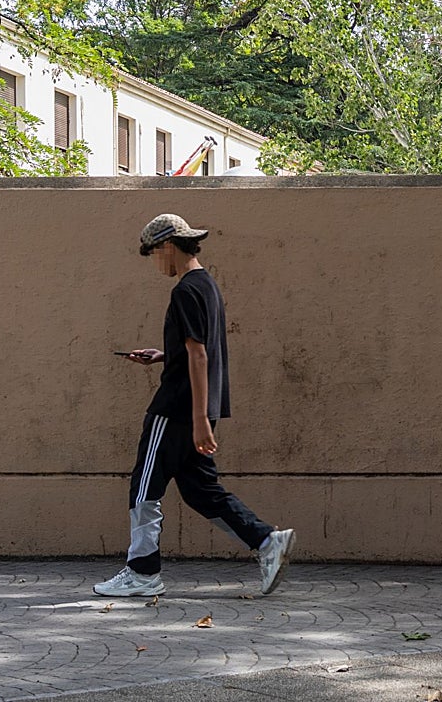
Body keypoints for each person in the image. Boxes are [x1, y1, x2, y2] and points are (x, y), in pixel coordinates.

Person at [94, 213, 295, 598]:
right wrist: (161, 356)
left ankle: (142, 572)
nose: (155, 262)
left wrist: (198, 418)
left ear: (168, 247)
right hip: (198, 408)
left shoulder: (185, 290)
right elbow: (194, 351)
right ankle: (268, 542)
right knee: (201, 490)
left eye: (154, 253)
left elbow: (199, 355)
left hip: (176, 409)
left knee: (144, 488)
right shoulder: (207, 286)